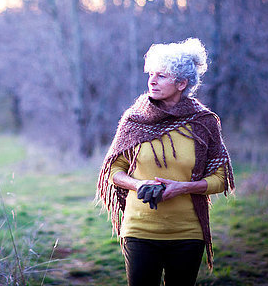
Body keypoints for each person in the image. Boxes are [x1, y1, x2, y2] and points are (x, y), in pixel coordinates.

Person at [95, 38, 234, 286]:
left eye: (162, 75)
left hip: (188, 233)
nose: (152, 80)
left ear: (181, 83)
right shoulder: (135, 120)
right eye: (151, 73)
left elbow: (221, 178)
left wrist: (184, 188)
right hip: (139, 230)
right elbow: (114, 170)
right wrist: (138, 185)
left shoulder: (203, 123)